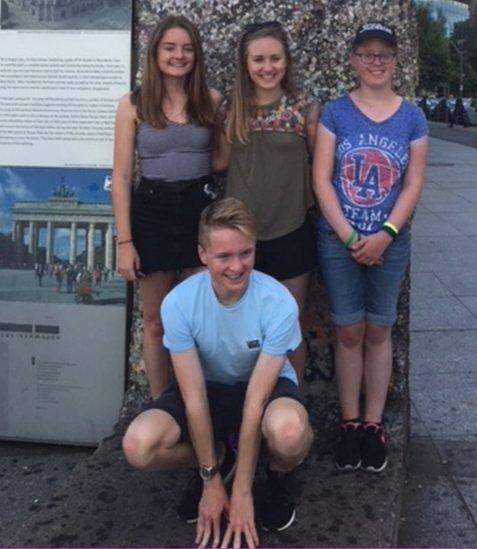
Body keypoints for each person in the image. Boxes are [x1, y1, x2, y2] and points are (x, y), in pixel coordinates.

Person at [122, 198, 313, 548]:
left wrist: (242, 493)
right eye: (224, 257)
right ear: (203, 254)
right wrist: (210, 479)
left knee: (289, 434)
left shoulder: (279, 301)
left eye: (246, 253)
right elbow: (193, 398)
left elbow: (256, 401)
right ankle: (221, 457)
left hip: (263, 389)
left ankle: (274, 473)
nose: (237, 266)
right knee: (138, 445)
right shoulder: (179, 303)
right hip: (208, 389)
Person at [312, 21, 428, 473]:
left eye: (384, 54)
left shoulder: (412, 117)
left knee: (379, 331)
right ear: (354, 60)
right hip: (339, 238)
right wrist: (348, 235)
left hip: (389, 241)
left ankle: (373, 423)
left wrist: (386, 234)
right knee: (347, 330)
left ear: (396, 61)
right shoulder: (336, 113)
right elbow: (321, 178)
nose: (375, 62)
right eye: (367, 54)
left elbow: (413, 183)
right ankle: (348, 421)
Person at [111, 16, 227, 399]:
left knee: (202, 317)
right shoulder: (132, 105)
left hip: (200, 208)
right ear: (155, 53)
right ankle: (163, 404)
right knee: (155, 320)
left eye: (187, 48)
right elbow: (123, 173)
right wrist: (125, 242)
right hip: (152, 211)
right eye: (170, 48)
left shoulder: (210, 100)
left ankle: (203, 402)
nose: (179, 56)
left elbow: (221, 159)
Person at [224, 21, 319, 383]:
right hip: (239, 239)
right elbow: (219, 162)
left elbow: (318, 167)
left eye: (275, 58)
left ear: (286, 61)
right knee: (240, 328)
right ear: (245, 64)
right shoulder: (231, 111)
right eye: (259, 59)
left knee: (289, 326)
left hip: (291, 230)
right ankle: (242, 412)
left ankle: (290, 407)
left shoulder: (304, 109)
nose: (268, 67)